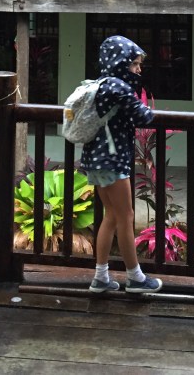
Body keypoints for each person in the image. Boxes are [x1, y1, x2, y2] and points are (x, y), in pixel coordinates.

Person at [81, 34, 163, 294]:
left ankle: (101, 278)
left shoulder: (102, 84)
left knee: (112, 216)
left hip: (96, 160)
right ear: (120, 63)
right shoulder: (118, 87)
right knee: (126, 217)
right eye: (134, 64)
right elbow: (143, 116)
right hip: (113, 161)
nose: (138, 70)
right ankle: (135, 278)